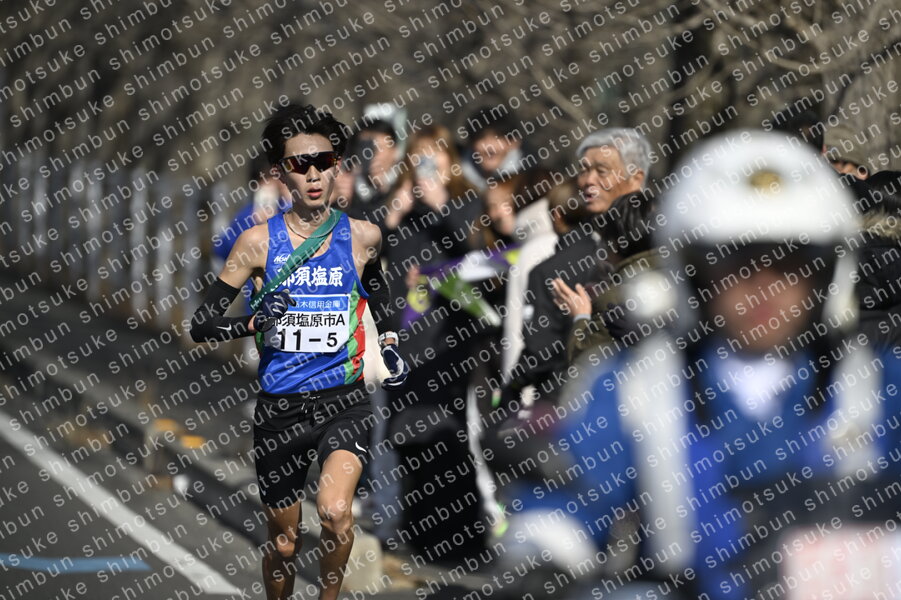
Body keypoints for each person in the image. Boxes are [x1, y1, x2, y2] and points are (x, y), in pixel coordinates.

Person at [501, 130, 901, 600]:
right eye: (736, 262)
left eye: (790, 263)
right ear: (692, 271)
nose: (763, 286)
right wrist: (543, 558)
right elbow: (571, 504)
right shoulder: (639, 384)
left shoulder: (877, 386)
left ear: (829, 273)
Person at [190, 103, 408, 600]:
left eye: (323, 162)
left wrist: (390, 340)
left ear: (337, 166)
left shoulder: (364, 237)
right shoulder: (256, 243)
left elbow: (381, 297)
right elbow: (202, 324)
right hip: (281, 408)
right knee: (284, 543)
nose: (313, 175)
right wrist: (253, 322)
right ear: (280, 173)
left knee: (335, 513)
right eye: (299, 164)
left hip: (343, 399)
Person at [501, 128, 651, 408]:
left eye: (602, 171)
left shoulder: (671, 248)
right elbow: (541, 349)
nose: (588, 181)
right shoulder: (556, 264)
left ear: (636, 179)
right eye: (583, 170)